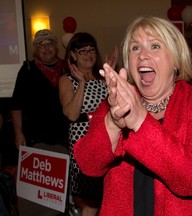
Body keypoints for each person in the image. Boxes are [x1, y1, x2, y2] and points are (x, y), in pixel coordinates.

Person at [73, 16, 192, 215]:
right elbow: (89, 165)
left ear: (176, 59)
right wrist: (113, 123)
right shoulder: (114, 104)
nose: (142, 56)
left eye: (155, 46)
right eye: (135, 48)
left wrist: (140, 121)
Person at [59, 32, 118, 216]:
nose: (88, 54)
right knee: (89, 204)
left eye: (91, 49)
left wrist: (112, 77)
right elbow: (71, 114)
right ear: (73, 55)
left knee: (109, 197)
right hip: (83, 142)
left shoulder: (102, 78)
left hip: (107, 141)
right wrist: (82, 82)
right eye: (82, 50)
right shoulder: (66, 80)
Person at [10, 29, 69, 153]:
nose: (46, 48)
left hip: (64, 139)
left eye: (50, 43)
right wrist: (18, 133)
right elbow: (16, 105)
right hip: (35, 139)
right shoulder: (27, 70)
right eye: (41, 45)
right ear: (36, 49)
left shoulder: (67, 68)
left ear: (56, 46)